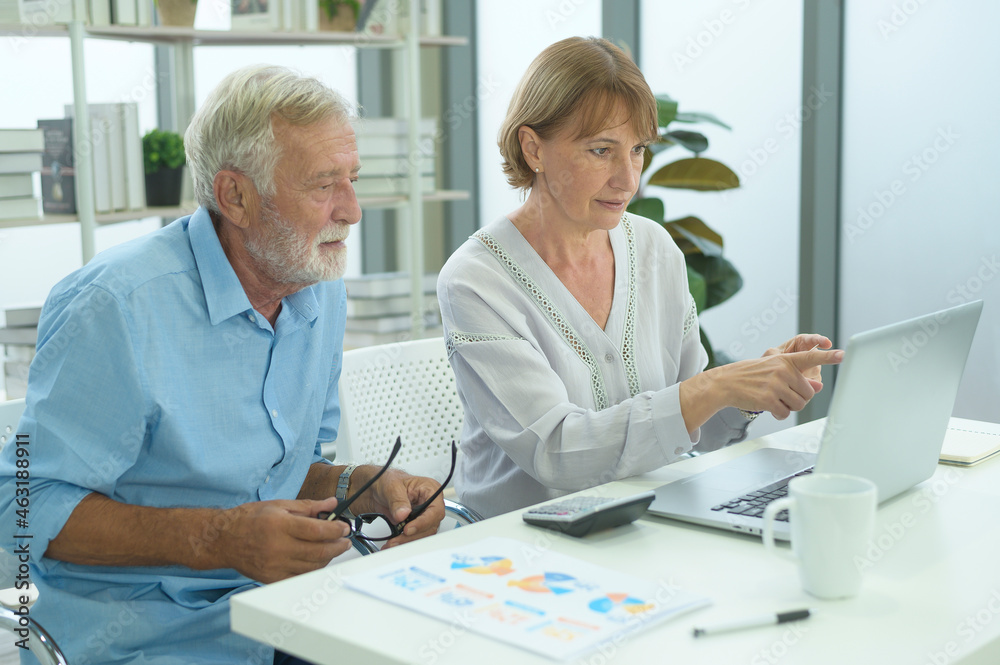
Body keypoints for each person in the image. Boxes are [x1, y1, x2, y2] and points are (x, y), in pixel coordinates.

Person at [0, 65, 445, 665]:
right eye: (323, 186)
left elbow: (284, 473)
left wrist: (363, 488)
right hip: (145, 641)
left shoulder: (319, 285)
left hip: (288, 618)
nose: (353, 210)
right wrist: (218, 539)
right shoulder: (115, 306)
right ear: (235, 195)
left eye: (353, 180)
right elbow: (20, 506)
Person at [437, 37, 843, 518]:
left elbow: (702, 427)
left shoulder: (653, 248)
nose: (627, 179)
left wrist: (749, 387)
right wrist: (710, 389)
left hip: (651, 521)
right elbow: (557, 452)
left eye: (637, 151)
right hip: (526, 545)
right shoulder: (477, 281)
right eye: (601, 150)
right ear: (533, 149)